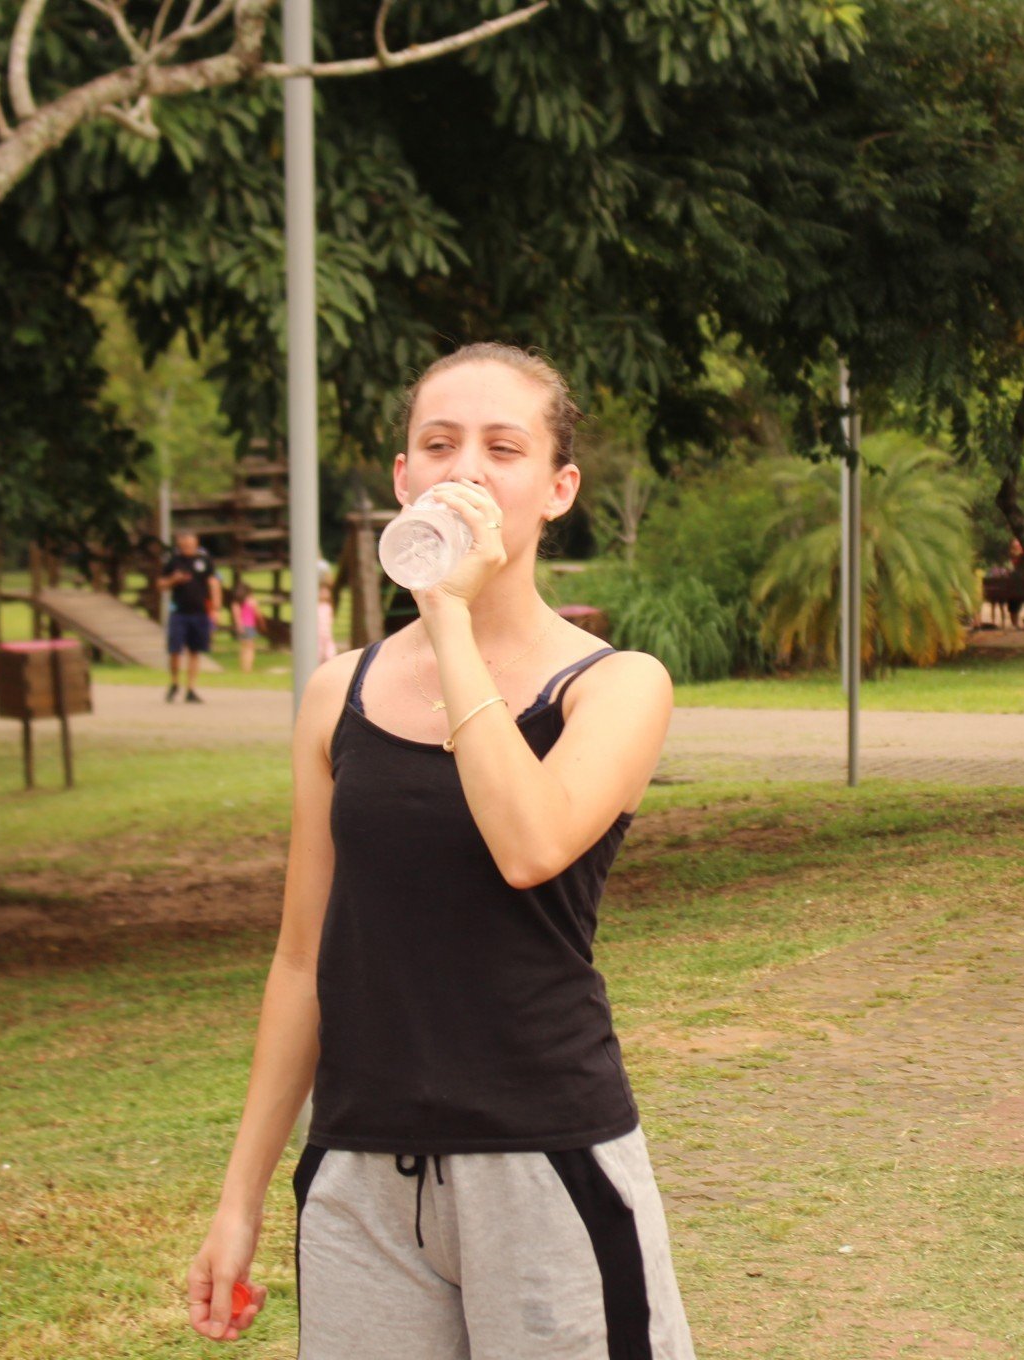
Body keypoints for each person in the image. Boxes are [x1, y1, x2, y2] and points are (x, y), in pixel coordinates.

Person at [186, 342, 693, 1358]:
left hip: (545, 1159)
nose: (465, 469)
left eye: (502, 448)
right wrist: (239, 1197)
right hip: (360, 1174)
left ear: (557, 490)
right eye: (439, 443)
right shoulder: (338, 695)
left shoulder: (616, 684)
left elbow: (530, 842)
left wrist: (447, 616)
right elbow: (301, 957)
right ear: (403, 478)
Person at [159, 530, 222, 702]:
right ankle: (174, 682)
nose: (188, 547)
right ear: (180, 543)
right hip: (179, 612)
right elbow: (160, 584)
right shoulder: (174, 560)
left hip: (200, 612)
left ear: (196, 543)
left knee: (195, 651)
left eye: (191, 544)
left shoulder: (204, 560)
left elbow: (213, 582)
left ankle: (191, 689)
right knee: (175, 651)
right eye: (184, 544)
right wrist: (174, 580)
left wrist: (216, 608)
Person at [233, 585, 263, 674]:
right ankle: (248, 669)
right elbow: (258, 614)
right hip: (250, 626)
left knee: (243, 648)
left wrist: (239, 625)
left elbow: (236, 615)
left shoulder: (236, 603)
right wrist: (261, 622)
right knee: (250, 649)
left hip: (241, 626)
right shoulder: (251, 601)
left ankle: (243, 667)